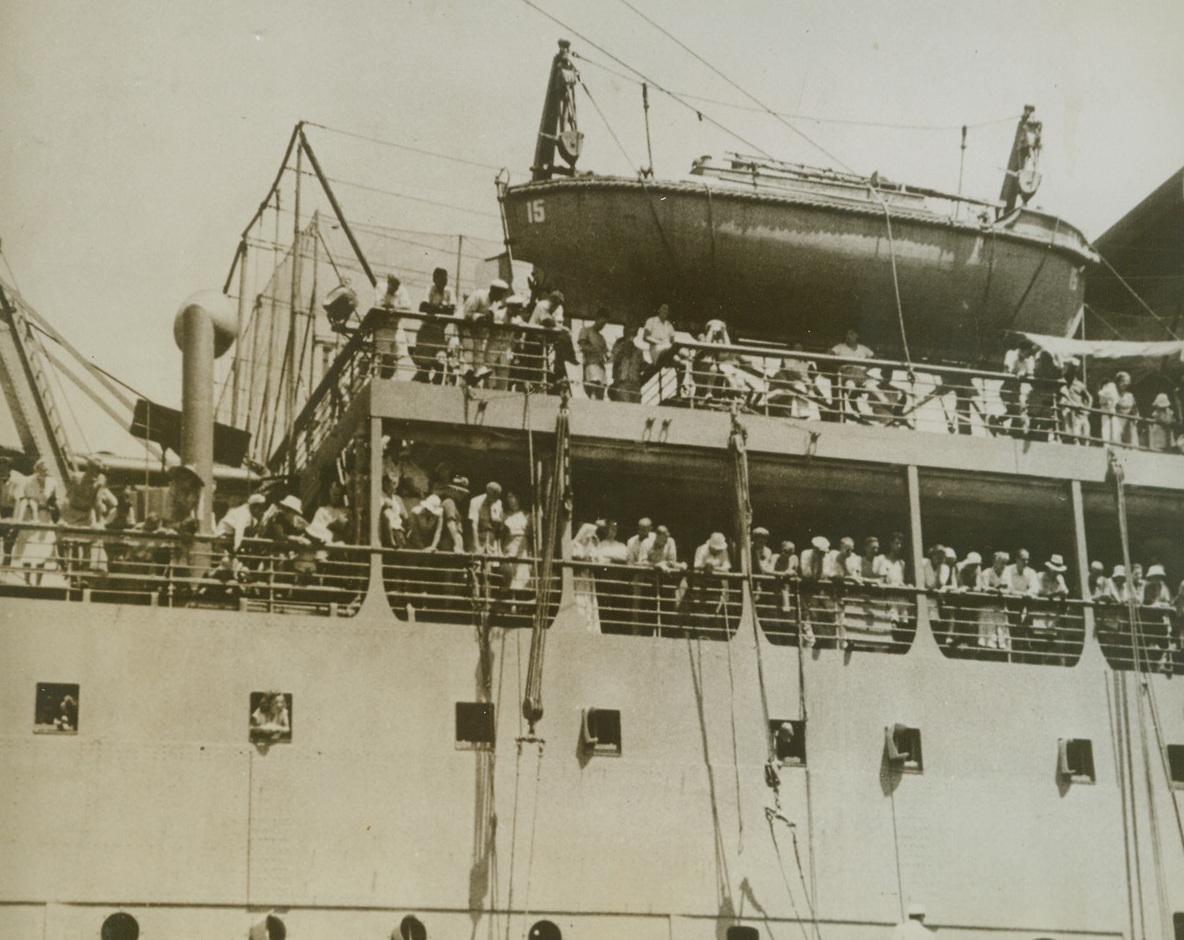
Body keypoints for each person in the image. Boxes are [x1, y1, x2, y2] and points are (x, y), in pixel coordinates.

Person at [12, 459, 63, 585]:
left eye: (48, 469)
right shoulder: (28, 480)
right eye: (44, 469)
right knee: (28, 550)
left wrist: (57, 511)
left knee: (43, 550)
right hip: (30, 516)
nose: (47, 472)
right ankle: (27, 581)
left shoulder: (52, 482)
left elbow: (54, 499)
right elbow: (22, 499)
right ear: (37, 469)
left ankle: (38, 582)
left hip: (45, 517)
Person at [459, 279, 510, 382]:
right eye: (500, 293)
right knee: (468, 347)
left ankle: (478, 370)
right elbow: (466, 313)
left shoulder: (495, 303)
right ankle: (467, 368)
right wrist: (479, 317)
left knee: (478, 349)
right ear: (493, 290)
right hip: (465, 326)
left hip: (479, 330)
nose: (501, 297)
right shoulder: (479, 295)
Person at [829, 327, 875, 420]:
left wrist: (866, 368)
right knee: (850, 387)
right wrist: (838, 367)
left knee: (873, 388)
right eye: (847, 334)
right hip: (847, 374)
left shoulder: (863, 348)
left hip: (860, 374)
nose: (849, 336)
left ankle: (889, 408)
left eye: (852, 334)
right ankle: (854, 411)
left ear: (857, 336)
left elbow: (875, 358)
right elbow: (827, 354)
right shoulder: (840, 347)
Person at [977, 551, 1013, 650]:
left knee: (1002, 631)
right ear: (995, 562)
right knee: (987, 628)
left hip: (1000, 606)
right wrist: (998, 590)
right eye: (1002, 563)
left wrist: (1002, 590)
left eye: (1006, 563)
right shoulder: (986, 572)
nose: (1004, 566)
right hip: (987, 605)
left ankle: (1001, 648)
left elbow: (1009, 589)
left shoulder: (1007, 574)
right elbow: (984, 588)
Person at [571, 522, 601, 631]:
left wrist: (597, 547)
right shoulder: (574, 544)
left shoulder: (592, 546)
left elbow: (598, 561)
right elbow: (579, 558)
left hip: (588, 578)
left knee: (589, 603)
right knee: (579, 602)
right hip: (578, 578)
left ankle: (590, 628)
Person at [1097, 371, 1137, 445]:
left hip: (1127, 423)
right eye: (1123, 381)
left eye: (1127, 381)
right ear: (1117, 382)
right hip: (1115, 419)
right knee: (1113, 437)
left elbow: (1135, 409)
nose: (1125, 384)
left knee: (1128, 442)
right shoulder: (1111, 391)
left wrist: (1135, 417)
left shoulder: (1129, 395)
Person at [578, 310, 611, 400]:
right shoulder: (586, 330)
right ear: (596, 319)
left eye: (604, 324)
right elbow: (582, 347)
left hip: (601, 366)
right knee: (593, 388)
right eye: (601, 322)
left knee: (601, 391)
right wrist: (595, 350)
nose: (602, 326)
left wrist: (608, 356)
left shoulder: (601, 337)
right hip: (591, 364)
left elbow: (606, 353)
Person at [610, 323, 646, 403]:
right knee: (624, 405)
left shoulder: (638, 351)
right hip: (622, 382)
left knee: (636, 407)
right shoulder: (618, 345)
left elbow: (642, 366)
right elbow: (614, 358)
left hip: (635, 383)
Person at [1059, 359, 1092, 444]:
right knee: (1075, 435)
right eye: (1072, 367)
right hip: (1070, 411)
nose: (1073, 370)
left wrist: (1087, 409)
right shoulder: (1062, 381)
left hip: (1081, 411)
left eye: (1075, 368)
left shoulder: (1079, 384)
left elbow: (1089, 397)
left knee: (1085, 434)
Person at [469, 481, 505, 555]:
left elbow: (500, 528)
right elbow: (474, 525)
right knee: (477, 562)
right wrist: (476, 545)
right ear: (488, 494)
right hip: (479, 536)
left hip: (492, 539)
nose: (494, 500)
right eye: (492, 497)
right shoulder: (475, 501)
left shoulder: (498, 503)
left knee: (493, 563)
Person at [642, 303, 677, 378]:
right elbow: (645, 337)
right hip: (657, 351)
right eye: (664, 308)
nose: (666, 311)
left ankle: (683, 384)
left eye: (667, 309)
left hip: (667, 352)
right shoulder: (651, 321)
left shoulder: (669, 325)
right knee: (676, 349)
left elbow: (673, 342)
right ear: (659, 310)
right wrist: (659, 342)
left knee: (683, 361)